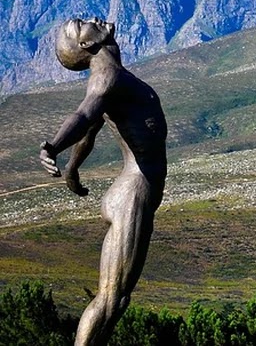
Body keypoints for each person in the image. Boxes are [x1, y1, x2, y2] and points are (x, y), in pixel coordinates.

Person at [38, 17, 168, 346]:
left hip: (132, 191)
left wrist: (72, 169)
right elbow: (83, 117)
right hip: (133, 194)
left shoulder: (114, 80)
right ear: (87, 44)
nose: (92, 19)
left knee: (116, 301)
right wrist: (53, 147)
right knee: (111, 299)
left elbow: (91, 129)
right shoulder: (106, 78)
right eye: (80, 24)